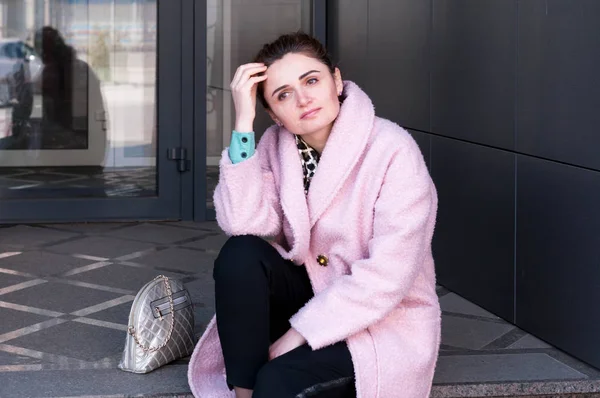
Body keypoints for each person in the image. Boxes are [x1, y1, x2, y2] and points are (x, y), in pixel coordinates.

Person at [188, 32, 441, 398]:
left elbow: (388, 275)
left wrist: (297, 334)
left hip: (382, 316)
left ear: (336, 81)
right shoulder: (278, 146)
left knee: (277, 382)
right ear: (274, 114)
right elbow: (241, 222)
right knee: (240, 255)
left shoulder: (393, 150)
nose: (303, 98)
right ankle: (243, 393)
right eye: (284, 94)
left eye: (311, 80)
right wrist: (243, 122)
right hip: (311, 291)